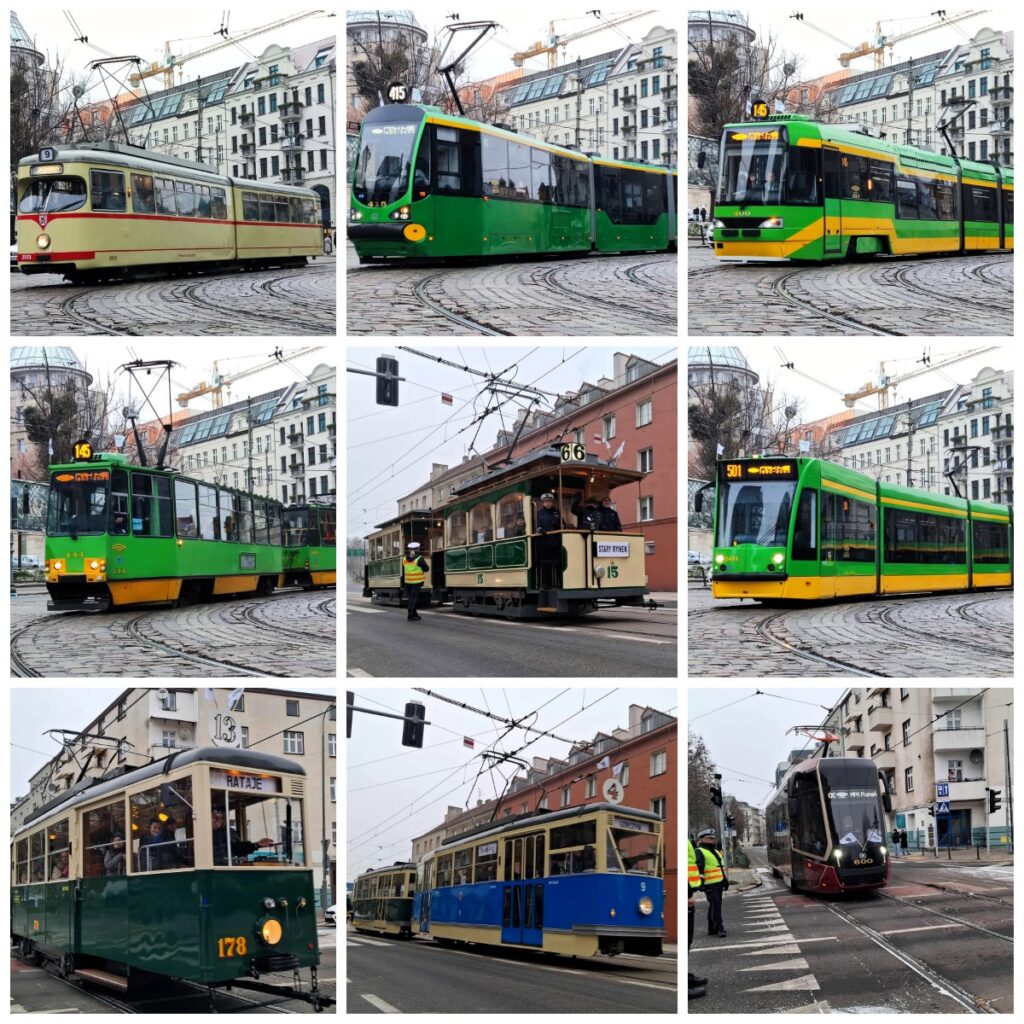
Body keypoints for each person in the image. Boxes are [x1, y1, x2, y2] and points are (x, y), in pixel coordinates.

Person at [695, 828, 729, 937]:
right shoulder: (699, 851)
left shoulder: (715, 851)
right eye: (710, 838)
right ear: (703, 839)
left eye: (714, 838)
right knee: (716, 906)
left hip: (718, 883)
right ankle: (719, 928)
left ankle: (711, 928)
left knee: (713, 905)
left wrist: (725, 882)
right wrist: (701, 883)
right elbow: (699, 868)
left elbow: (720, 868)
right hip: (710, 884)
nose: (713, 840)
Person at [688, 834, 708, 999]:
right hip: (687, 896)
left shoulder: (687, 839)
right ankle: (685, 985)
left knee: (688, 938)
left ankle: (686, 976)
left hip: (690, 893)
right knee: (686, 937)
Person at [536, 492, 562, 589]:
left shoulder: (557, 512)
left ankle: (560, 583)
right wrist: (540, 530)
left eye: (549, 501)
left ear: (552, 503)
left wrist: (559, 526)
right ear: (543, 503)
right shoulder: (539, 513)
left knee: (558, 563)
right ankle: (547, 584)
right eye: (546, 502)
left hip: (555, 542)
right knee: (546, 564)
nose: (548, 503)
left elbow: (562, 524)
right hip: (544, 542)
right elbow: (537, 525)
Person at [402, 541, 430, 622]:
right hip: (416, 583)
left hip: (407, 582)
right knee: (413, 599)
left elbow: (405, 569)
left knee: (411, 598)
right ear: (417, 549)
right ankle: (410, 615)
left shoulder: (404, 558)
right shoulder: (419, 558)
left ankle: (414, 614)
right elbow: (426, 569)